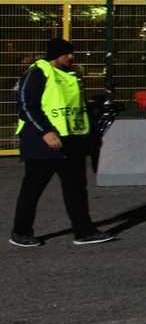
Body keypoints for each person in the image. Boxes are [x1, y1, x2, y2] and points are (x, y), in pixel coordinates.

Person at [9, 38, 113, 247]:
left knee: (76, 188)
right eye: (68, 53)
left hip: (70, 141)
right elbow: (26, 104)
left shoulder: (71, 76)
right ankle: (20, 232)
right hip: (42, 143)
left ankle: (84, 231)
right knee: (33, 188)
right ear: (57, 55)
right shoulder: (39, 71)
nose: (72, 57)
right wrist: (45, 131)